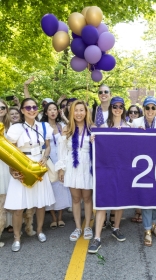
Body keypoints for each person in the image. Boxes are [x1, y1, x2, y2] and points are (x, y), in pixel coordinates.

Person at [4, 98, 55, 252]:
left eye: (34, 107)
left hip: (39, 165)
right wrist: (12, 169)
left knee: (40, 203)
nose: (32, 110)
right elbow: (10, 152)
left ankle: (39, 230)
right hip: (23, 166)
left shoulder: (44, 126)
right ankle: (17, 238)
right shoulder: (15, 128)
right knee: (18, 207)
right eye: (28, 107)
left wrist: (45, 158)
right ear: (22, 110)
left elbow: (47, 146)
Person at [88, 97, 128, 254]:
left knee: (120, 201)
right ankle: (97, 237)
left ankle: (116, 228)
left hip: (124, 169)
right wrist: (93, 140)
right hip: (107, 169)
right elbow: (97, 146)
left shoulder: (129, 126)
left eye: (120, 106)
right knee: (103, 203)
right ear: (111, 108)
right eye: (115, 106)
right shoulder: (103, 127)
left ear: (123, 109)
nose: (118, 109)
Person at [130, 96, 156, 247]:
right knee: (146, 199)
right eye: (147, 108)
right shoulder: (135, 123)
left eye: (153, 108)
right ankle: (147, 230)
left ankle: (153, 225)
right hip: (142, 167)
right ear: (143, 109)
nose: (150, 111)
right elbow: (129, 144)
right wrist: (136, 135)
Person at [56, 100, 94, 242]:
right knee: (76, 198)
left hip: (86, 166)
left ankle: (88, 226)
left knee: (87, 198)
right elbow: (62, 151)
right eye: (76, 110)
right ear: (72, 113)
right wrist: (61, 169)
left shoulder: (92, 128)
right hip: (72, 166)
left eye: (81, 110)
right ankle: (78, 227)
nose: (79, 113)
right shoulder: (67, 129)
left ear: (86, 112)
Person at [41, 102, 72, 229]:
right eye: (50, 109)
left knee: (61, 186)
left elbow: (72, 128)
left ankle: (60, 217)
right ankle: (53, 217)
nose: (53, 112)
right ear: (46, 112)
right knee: (50, 186)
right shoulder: (42, 127)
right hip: (48, 159)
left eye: (55, 109)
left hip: (61, 158)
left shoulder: (62, 126)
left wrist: (64, 117)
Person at [0, 99, 13, 233]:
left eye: (3, 107)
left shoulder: (11, 127)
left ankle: (9, 224)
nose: (0, 110)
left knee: (9, 196)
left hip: (8, 164)